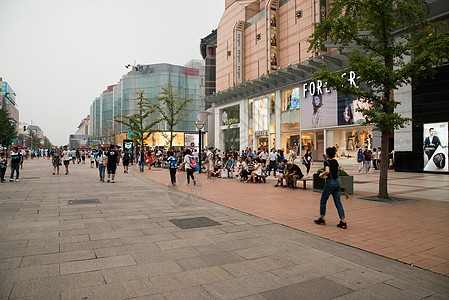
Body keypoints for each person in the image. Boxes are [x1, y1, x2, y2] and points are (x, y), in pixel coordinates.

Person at [314, 147, 347, 229]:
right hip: (336, 182)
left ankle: (322, 218)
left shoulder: (327, 162)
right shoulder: (335, 162)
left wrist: (321, 175)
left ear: (327, 154)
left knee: (323, 200)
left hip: (330, 183)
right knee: (338, 202)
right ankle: (343, 221)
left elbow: (327, 171)